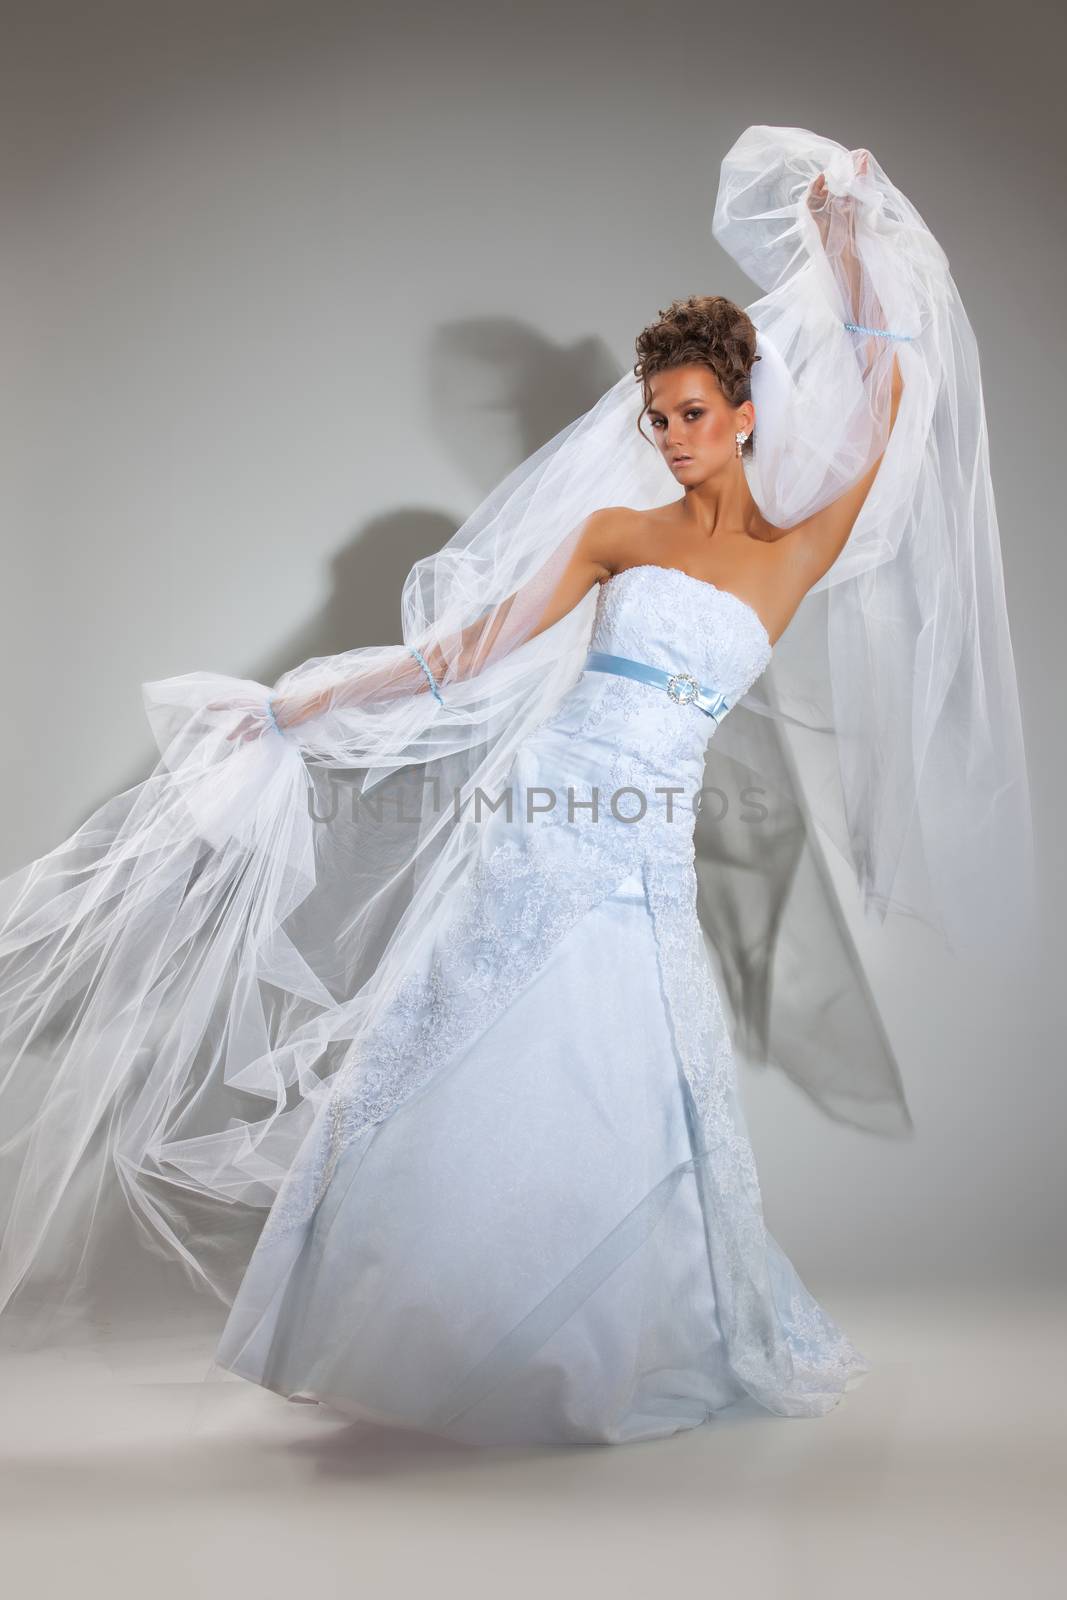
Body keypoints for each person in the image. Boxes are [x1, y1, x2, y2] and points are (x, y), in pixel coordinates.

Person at [0, 126, 1036, 1446]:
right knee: (466, 1048)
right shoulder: (616, 532)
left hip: (644, 838)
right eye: (656, 416)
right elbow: (466, 653)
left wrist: (846, 237)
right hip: (547, 808)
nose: (669, 438)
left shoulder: (796, 544)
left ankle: (585, 1340)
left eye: (693, 415)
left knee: (621, 1069)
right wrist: (303, 698)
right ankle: (401, 1330)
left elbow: (891, 385)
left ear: (748, 410)